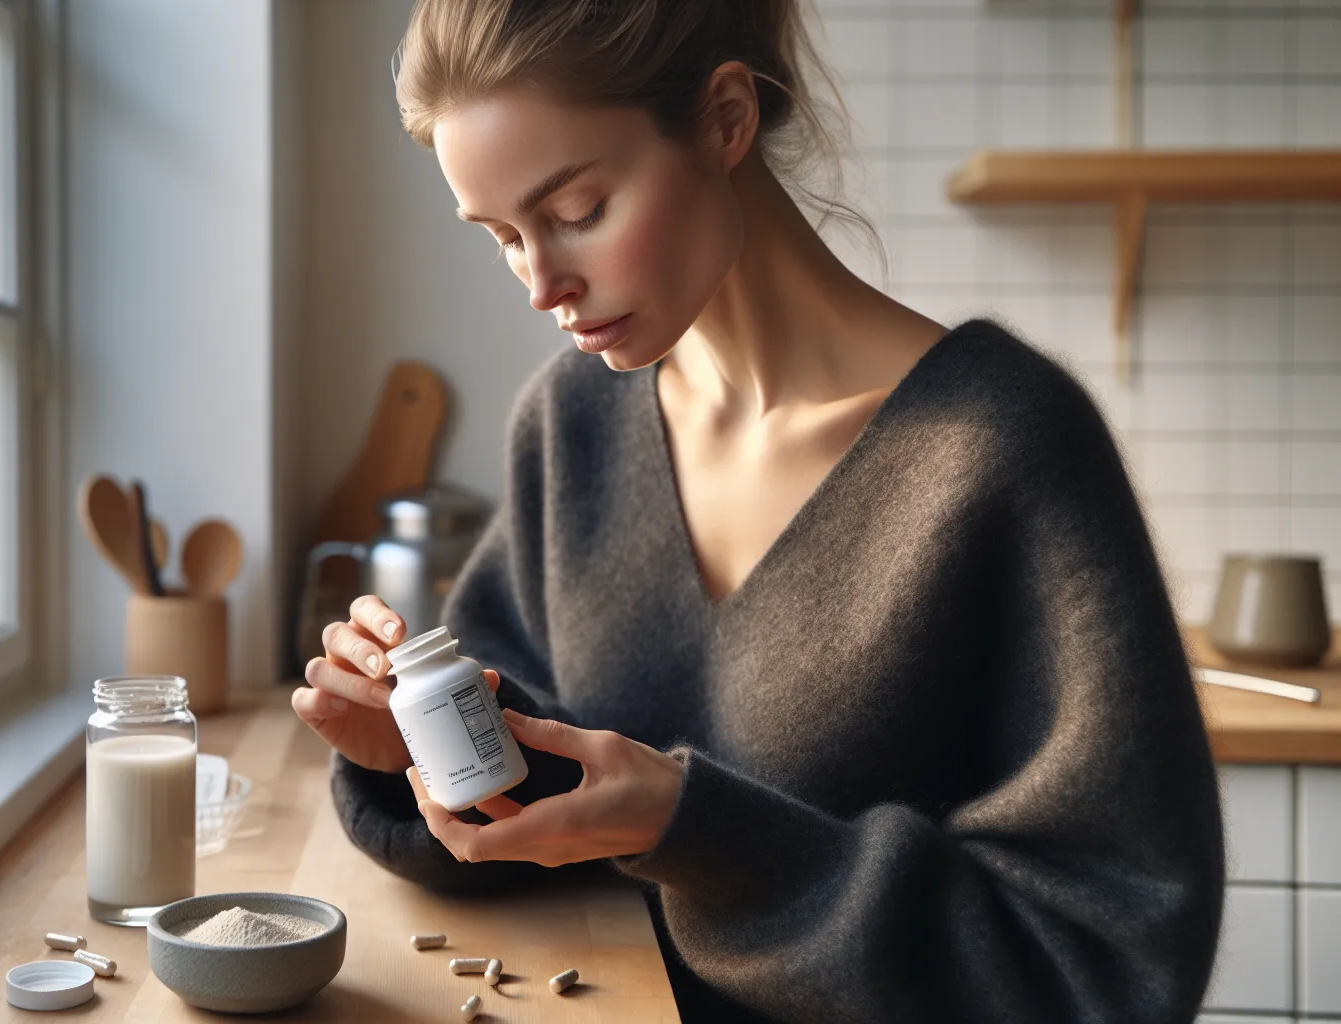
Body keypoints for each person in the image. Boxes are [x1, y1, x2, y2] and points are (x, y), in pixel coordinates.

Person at [290, 1, 1226, 1021]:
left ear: (726, 118)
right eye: (504, 236)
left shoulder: (1001, 450)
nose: (541, 284)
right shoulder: (571, 427)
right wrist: (420, 748)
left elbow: (1106, 964)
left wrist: (697, 833)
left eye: (576, 210)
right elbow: (541, 818)